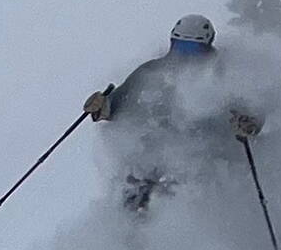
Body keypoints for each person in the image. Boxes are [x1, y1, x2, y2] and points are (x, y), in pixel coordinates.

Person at [83, 14, 267, 213]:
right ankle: (126, 238)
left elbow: (252, 112)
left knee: (181, 198)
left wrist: (248, 124)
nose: (184, 56)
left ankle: (195, 237)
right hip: (154, 158)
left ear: (207, 48)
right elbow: (119, 104)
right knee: (136, 195)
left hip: (204, 161)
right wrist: (103, 105)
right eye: (179, 48)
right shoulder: (151, 72)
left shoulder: (224, 75)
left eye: (192, 49)